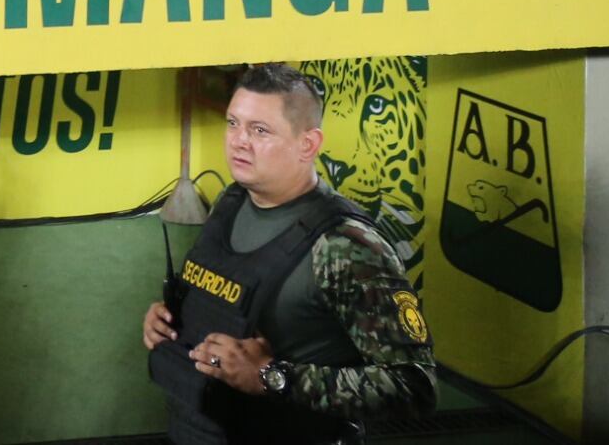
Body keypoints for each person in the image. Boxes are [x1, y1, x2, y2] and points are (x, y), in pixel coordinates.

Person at [142, 63, 437, 442]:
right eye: (233, 123)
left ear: (308, 144)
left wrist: (272, 377)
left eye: (259, 130)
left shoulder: (347, 245)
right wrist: (170, 318)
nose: (239, 141)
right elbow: (222, 301)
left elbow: (415, 386)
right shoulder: (231, 202)